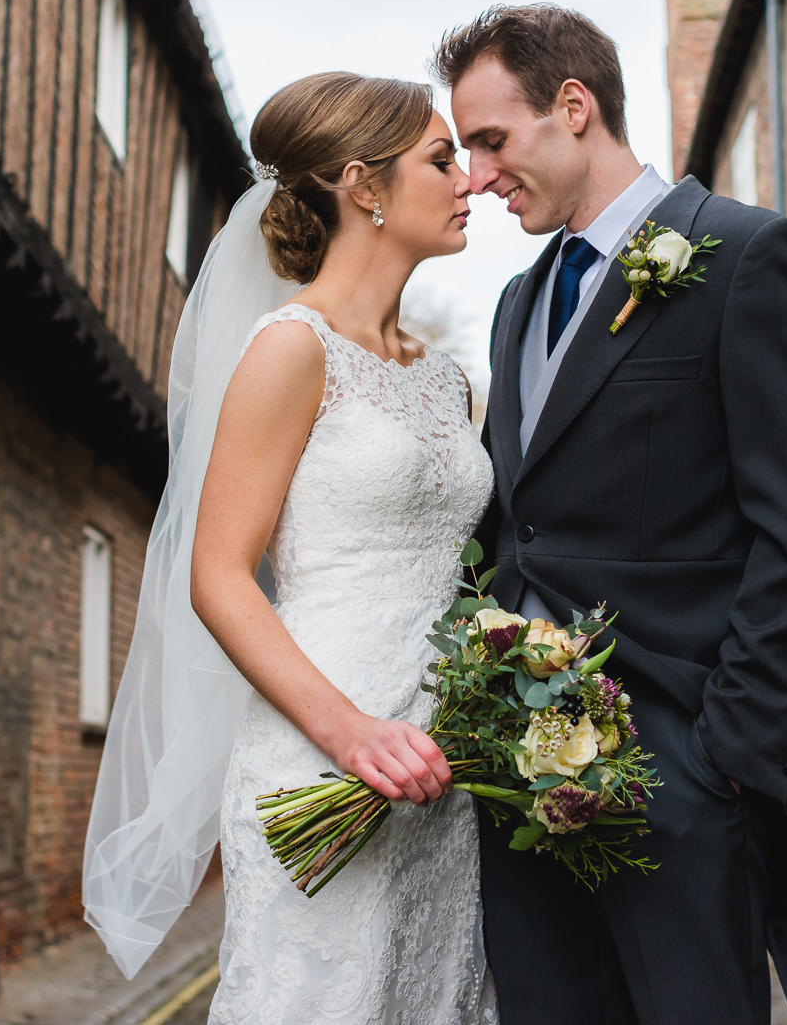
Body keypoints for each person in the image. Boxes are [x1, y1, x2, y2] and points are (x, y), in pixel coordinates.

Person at [434, 4, 787, 1024]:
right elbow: (513, 531)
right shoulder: (518, 303)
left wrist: (728, 759)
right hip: (525, 797)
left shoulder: (747, 258)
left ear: (573, 107)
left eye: (489, 141)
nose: (475, 175)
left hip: (682, 788)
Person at [81, 72, 496, 1022]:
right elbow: (218, 575)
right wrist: (352, 733)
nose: (468, 178)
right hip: (327, 758)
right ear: (364, 185)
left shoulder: (449, 383)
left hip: (442, 768)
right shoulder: (290, 349)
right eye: (442, 158)